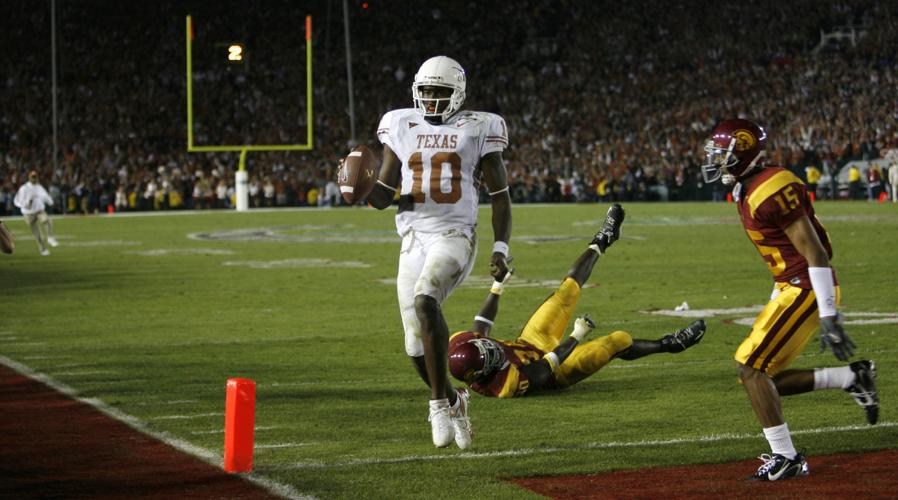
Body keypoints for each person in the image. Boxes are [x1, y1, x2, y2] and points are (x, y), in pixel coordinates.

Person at [701, 119, 879, 481]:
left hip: (807, 286)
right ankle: (851, 377)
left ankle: (787, 457)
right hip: (790, 284)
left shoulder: (771, 187)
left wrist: (829, 313)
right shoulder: (749, 186)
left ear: (743, 154)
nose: (715, 161)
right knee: (762, 378)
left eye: (722, 155)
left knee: (750, 368)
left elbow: (814, 252)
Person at [363, 55, 512, 449]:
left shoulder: (479, 126)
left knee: (426, 300)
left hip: (455, 234)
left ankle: (436, 406)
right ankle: (453, 398)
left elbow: (500, 196)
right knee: (414, 344)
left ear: (458, 94)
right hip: (413, 238)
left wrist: (500, 246)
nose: (430, 99)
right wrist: (359, 188)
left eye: (439, 92)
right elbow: (382, 194)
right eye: (425, 91)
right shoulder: (400, 124)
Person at [447, 204, 706, 398]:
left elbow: (482, 324)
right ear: (482, 373)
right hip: (556, 369)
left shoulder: (463, 345)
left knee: (566, 291)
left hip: (529, 341)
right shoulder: (503, 384)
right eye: (489, 355)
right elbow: (546, 366)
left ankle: (603, 239)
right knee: (617, 341)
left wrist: (497, 285)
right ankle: (670, 344)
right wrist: (576, 335)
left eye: (485, 346)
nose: (491, 348)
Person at [13, 170, 58, 256]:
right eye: (33, 177)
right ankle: (42, 249)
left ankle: (50, 237)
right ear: (29, 178)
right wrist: (26, 204)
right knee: (37, 234)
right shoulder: (24, 188)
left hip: (39, 211)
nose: (34, 179)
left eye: (35, 177)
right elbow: (17, 200)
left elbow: (45, 196)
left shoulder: (39, 187)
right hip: (28, 213)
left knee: (47, 220)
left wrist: (51, 202)